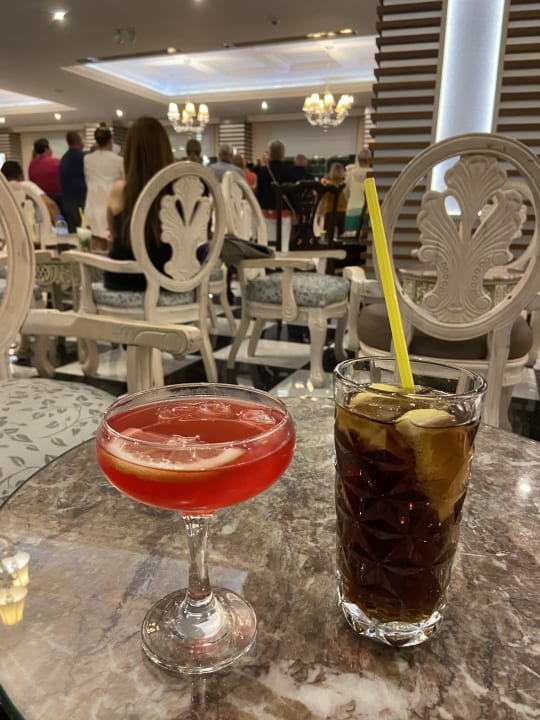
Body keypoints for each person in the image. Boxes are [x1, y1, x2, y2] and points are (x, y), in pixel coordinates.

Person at [104, 116, 175, 292]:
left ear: (130, 153)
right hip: (172, 279)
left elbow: (115, 236)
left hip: (124, 280)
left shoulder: (119, 190)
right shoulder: (179, 191)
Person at [83, 125, 124, 251]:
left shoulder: (87, 159)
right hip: (111, 204)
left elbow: (87, 180)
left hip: (92, 204)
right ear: (110, 140)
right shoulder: (118, 160)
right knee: (111, 241)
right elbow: (124, 183)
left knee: (96, 243)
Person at [2, 160, 60, 239]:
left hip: (13, 239)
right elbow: (50, 204)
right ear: (20, 176)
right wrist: (60, 228)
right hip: (41, 235)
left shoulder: (3, 193)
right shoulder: (26, 186)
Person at [255, 139, 296, 248]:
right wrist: (296, 210)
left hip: (267, 211)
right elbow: (292, 194)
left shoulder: (262, 171)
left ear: (269, 153)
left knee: (268, 243)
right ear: (283, 153)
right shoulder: (290, 170)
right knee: (284, 243)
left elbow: (259, 193)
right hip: (284, 211)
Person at [59, 131, 87, 233]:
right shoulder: (83, 157)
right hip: (80, 200)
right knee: (84, 228)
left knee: (74, 230)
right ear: (78, 141)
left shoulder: (64, 158)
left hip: (67, 201)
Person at [28, 138, 62, 211]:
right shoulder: (56, 162)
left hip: (39, 198)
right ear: (47, 149)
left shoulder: (32, 164)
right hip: (56, 199)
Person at [344, 148, 371, 235]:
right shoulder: (373, 174)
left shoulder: (350, 174)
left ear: (358, 160)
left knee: (350, 238)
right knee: (366, 239)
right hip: (368, 211)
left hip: (352, 209)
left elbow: (346, 192)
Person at [321, 162, 347, 237]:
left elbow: (325, 200)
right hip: (343, 211)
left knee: (328, 235)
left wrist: (321, 213)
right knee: (342, 235)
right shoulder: (344, 184)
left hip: (331, 211)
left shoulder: (328, 184)